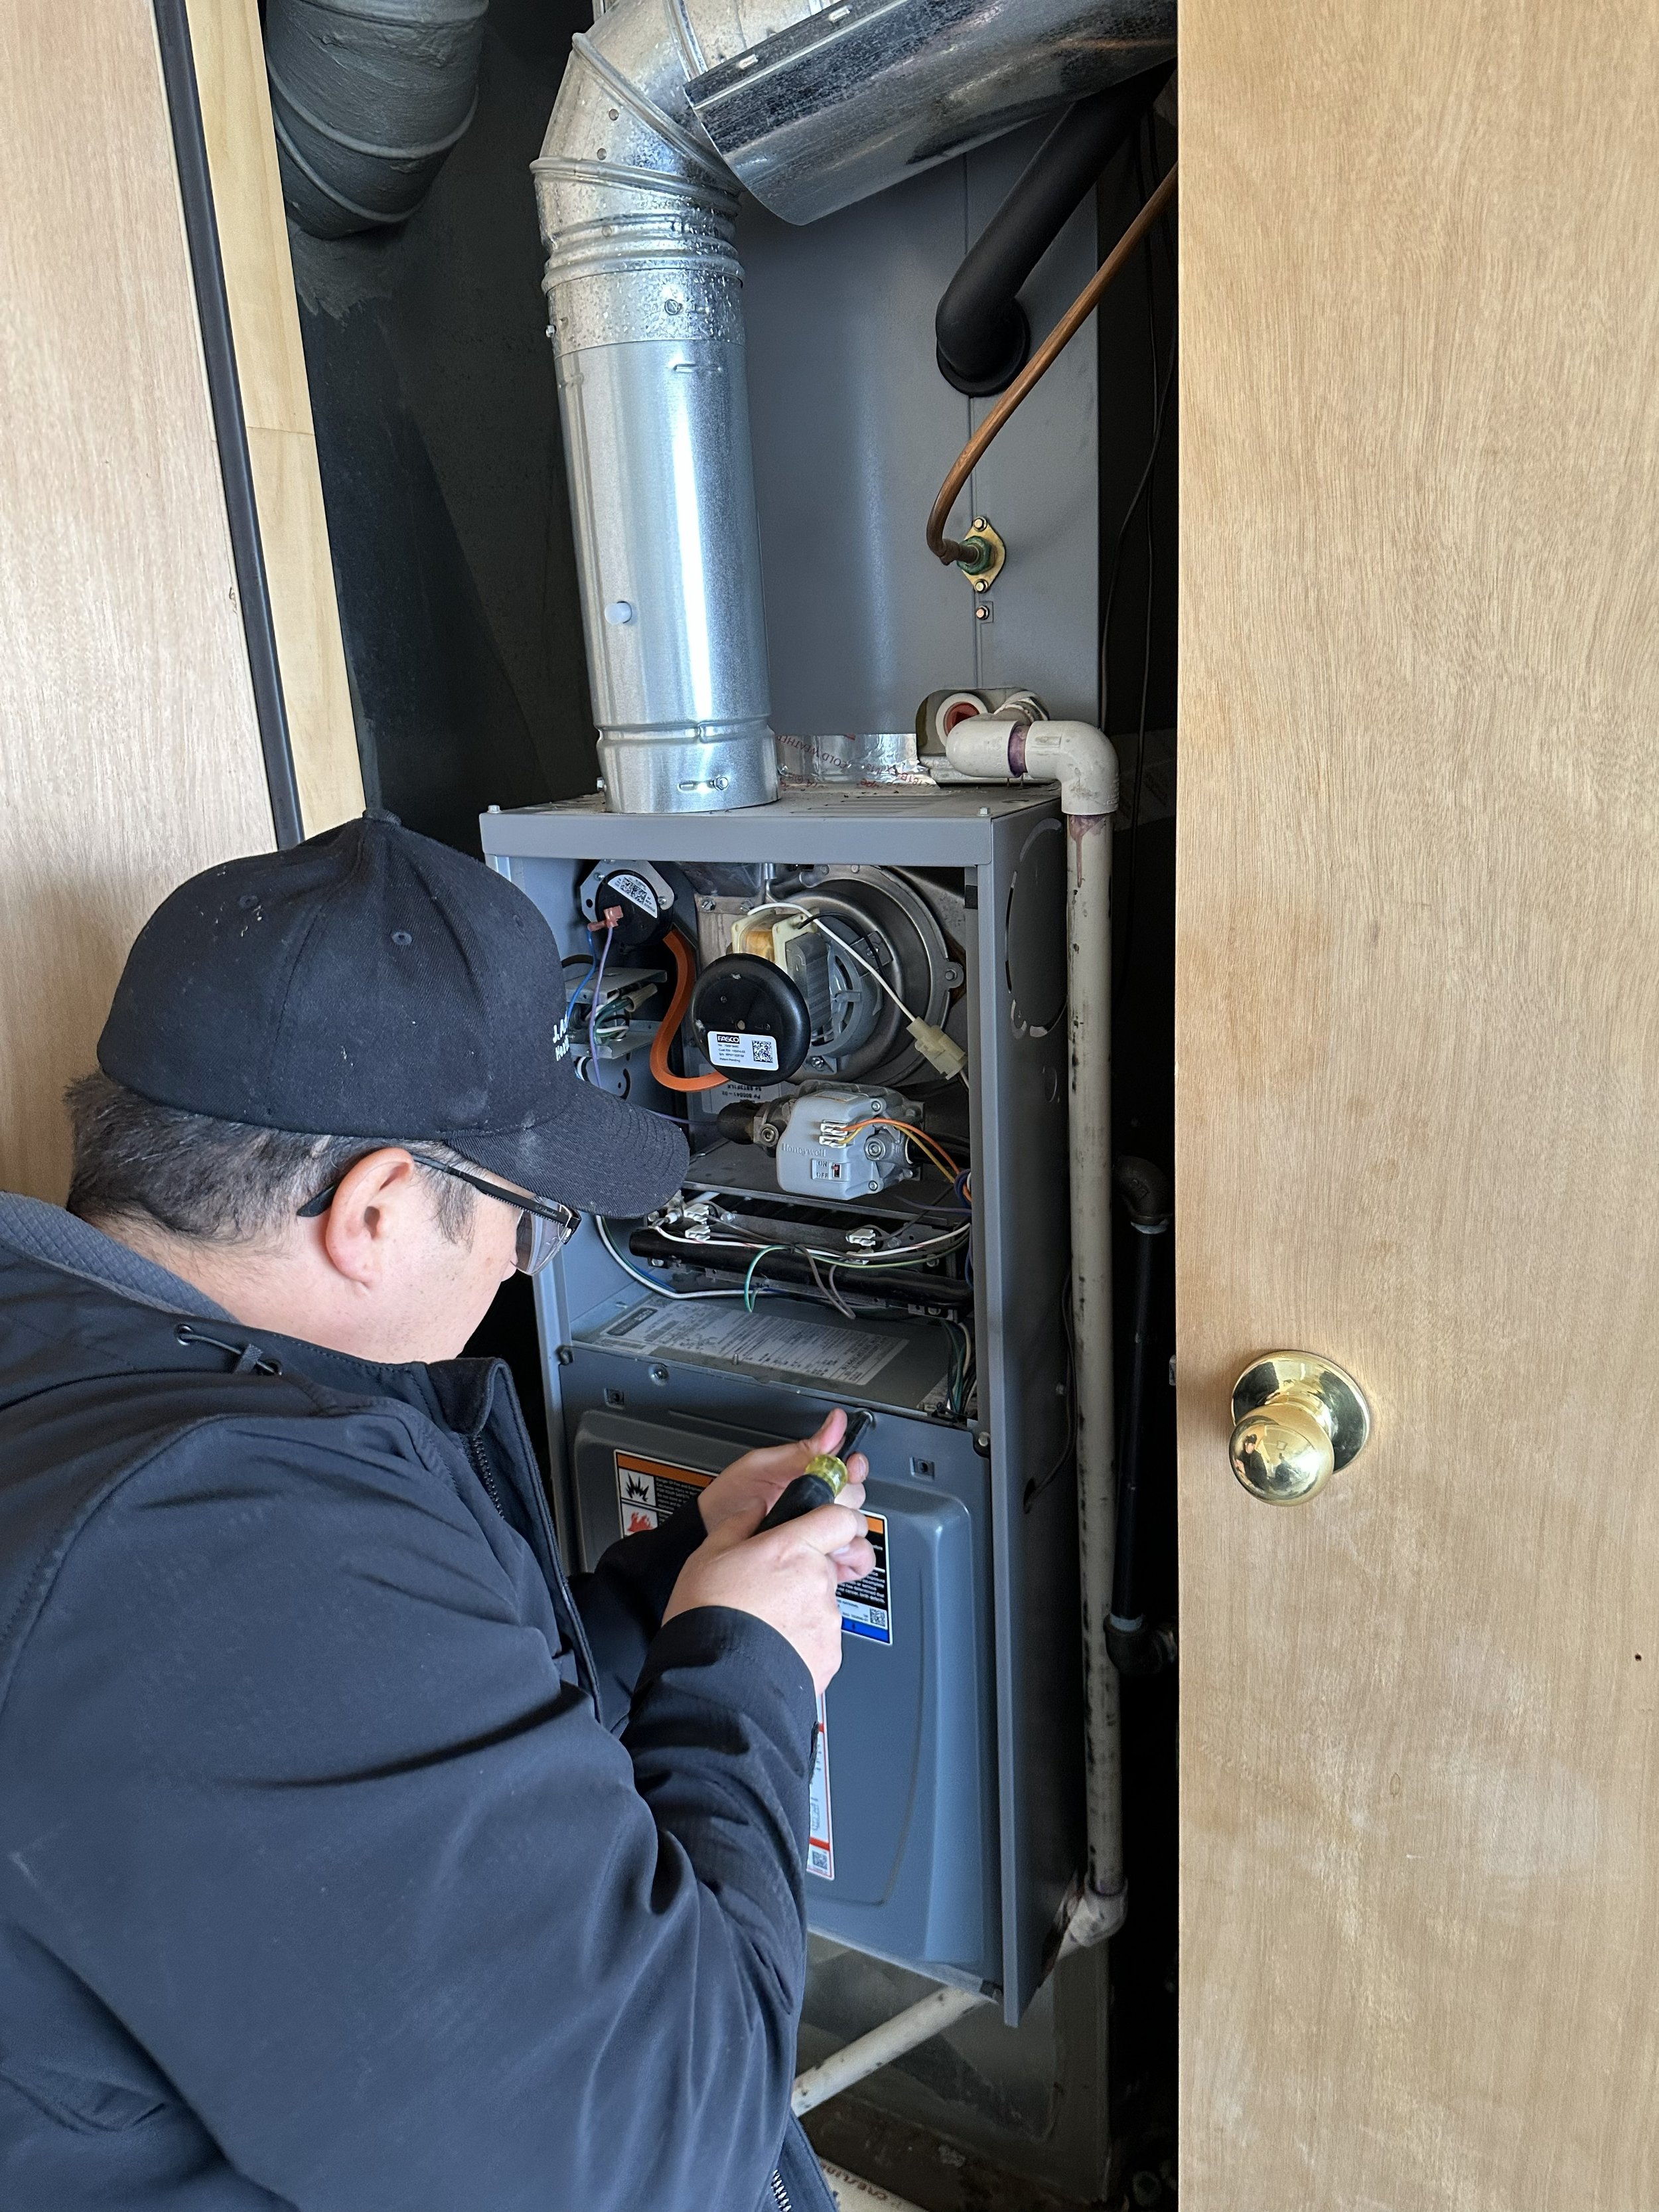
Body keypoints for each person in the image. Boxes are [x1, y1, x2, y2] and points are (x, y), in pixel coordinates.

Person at [0, 814, 874, 2212]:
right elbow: (670, 2144)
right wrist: (751, 1674)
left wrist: (676, 1600)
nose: (524, 1270)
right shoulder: (219, 1553)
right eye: (531, 1219)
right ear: (378, 1208)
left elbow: (393, 1764)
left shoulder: (99, 1386)